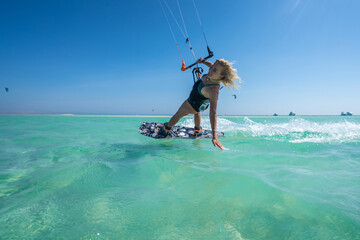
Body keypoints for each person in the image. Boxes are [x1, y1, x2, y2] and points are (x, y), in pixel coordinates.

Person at [159, 58, 241, 149]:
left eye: (214, 70)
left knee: (178, 114)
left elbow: (213, 113)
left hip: (191, 104)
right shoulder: (213, 72)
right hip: (201, 104)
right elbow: (210, 64)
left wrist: (214, 136)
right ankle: (198, 130)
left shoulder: (214, 90)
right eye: (212, 67)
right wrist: (203, 61)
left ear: (221, 76)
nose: (211, 69)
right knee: (197, 112)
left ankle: (166, 129)